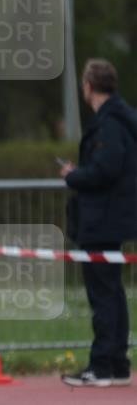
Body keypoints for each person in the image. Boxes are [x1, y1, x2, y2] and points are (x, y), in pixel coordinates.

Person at [60, 58, 137, 387]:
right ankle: (117, 363)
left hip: (102, 218)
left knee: (103, 294)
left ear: (88, 87)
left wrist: (73, 175)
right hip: (112, 217)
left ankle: (103, 365)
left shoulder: (108, 124)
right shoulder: (120, 119)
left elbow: (107, 168)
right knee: (112, 292)